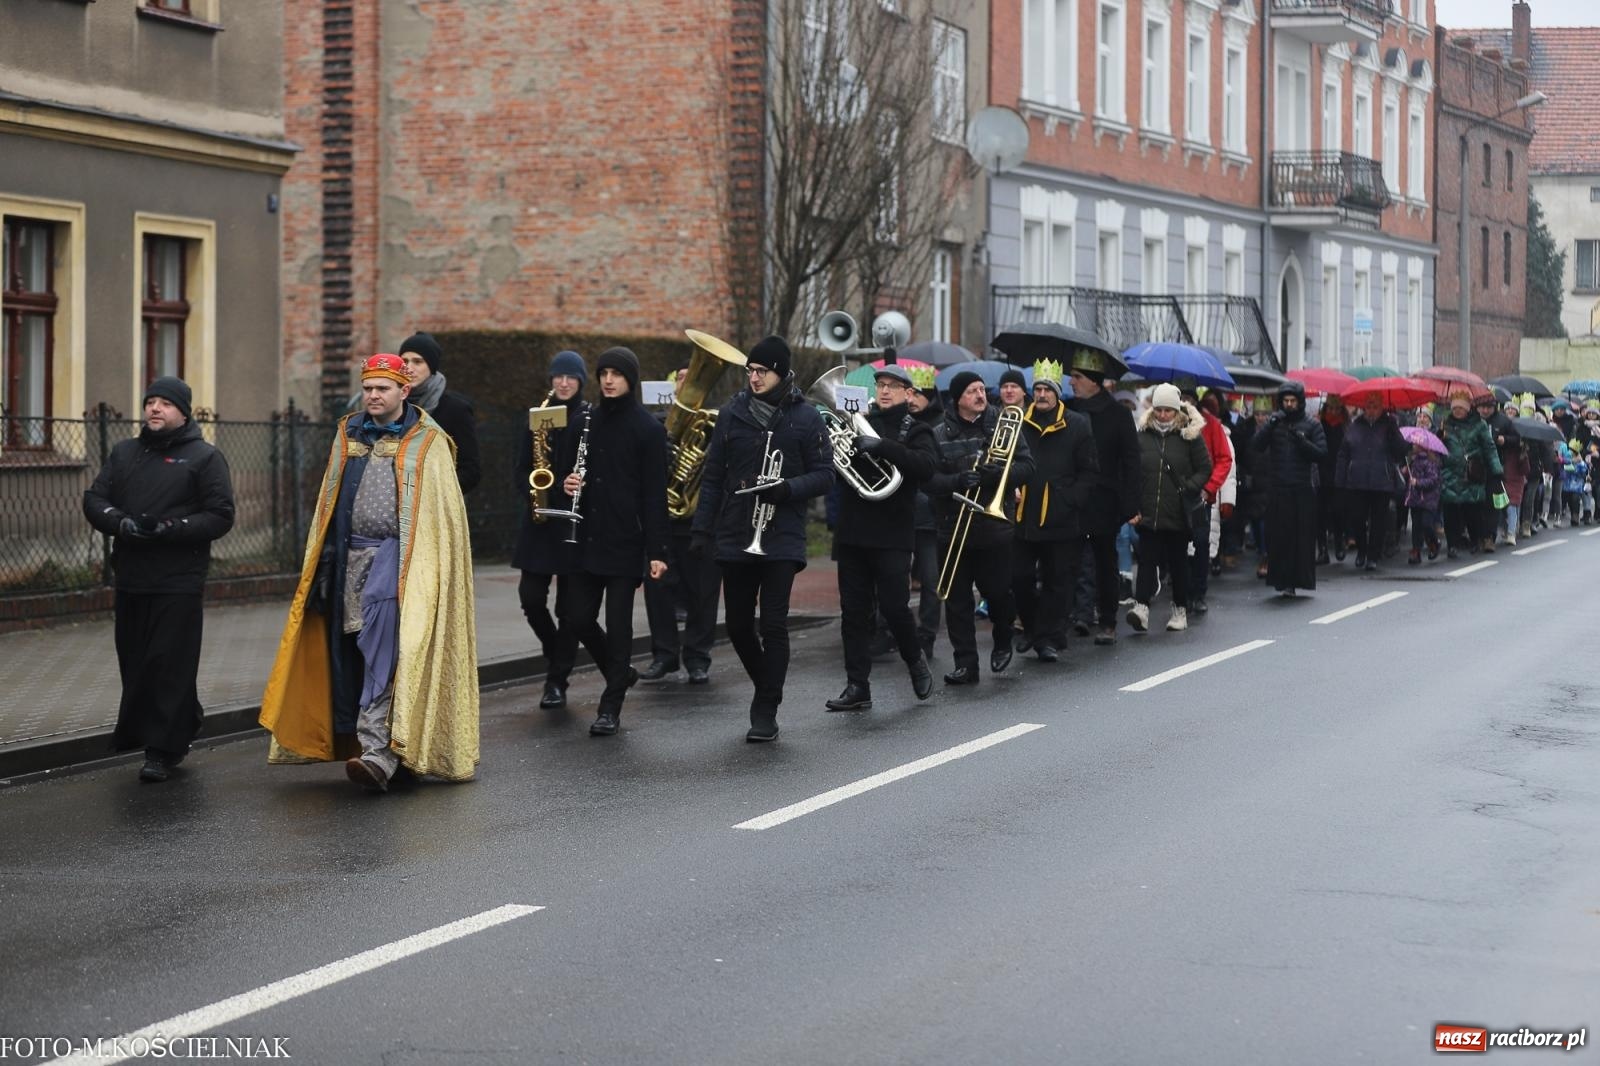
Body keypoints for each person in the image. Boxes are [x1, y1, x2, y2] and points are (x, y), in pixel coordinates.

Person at [261, 353, 478, 792]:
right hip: (348, 561)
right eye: (369, 387)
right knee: (351, 653)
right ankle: (375, 744)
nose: (374, 395)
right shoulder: (347, 433)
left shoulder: (428, 442)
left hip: (400, 565)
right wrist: (323, 565)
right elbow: (329, 504)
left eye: (383, 388)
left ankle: (380, 752)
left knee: (390, 651)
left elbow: (442, 520)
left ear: (405, 391)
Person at [83, 377, 235, 783]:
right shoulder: (124, 453)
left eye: (165, 403)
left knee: (168, 663)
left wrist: (171, 527)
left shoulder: (204, 457)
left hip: (179, 579)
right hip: (132, 576)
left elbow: (220, 515)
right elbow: (95, 499)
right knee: (137, 663)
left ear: (183, 411)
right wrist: (122, 523)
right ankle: (186, 721)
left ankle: (161, 751)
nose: (154, 409)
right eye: (150, 401)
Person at [691, 335, 833, 741]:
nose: (754, 378)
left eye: (762, 371)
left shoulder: (805, 417)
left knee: (773, 623)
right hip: (737, 530)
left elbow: (825, 473)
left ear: (781, 373)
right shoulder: (732, 413)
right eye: (750, 371)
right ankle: (768, 685)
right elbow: (714, 476)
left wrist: (787, 488)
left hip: (782, 535)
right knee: (736, 625)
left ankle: (765, 708)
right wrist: (703, 529)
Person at [558, 347, 671, 737]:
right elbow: (562, 470)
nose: (608, 380)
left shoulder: (648, 429)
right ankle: (621, 674)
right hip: (586, 537)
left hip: (625, 539)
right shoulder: (583, 420)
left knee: (618, 624)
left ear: (631, 379)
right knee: (577, 618)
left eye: (617, 374)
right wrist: (567, 482)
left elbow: (656, 495)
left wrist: (657, 551)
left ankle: (610, 707)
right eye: (604, 372)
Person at [824, 363, 939, 710]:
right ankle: (857, 685)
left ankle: (915, 660)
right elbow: (840, 471)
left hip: (893, 533)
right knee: (853, 612)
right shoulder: (860, 421)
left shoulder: (916, 429)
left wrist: (882, 446)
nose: (885, 390)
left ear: (909, 393)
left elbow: (926, 468)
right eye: (881, 385)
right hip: (854, 531)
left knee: (894, 608)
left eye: (893, 385)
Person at [511, 350, 608, 711]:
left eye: (570, 378)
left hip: (573, 521)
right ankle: (556, 655)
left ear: (581, 381)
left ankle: (557, 681)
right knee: (531, 599)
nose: (563, 383)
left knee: (569, 609)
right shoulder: (538, 416)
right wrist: (534, 494)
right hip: (540, 520)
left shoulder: (590, 418)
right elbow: (521, 468)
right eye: (558, 377)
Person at [925, 371, 1035, 684]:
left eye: (981, 389)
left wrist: (998, 476)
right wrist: (955, 482)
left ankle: (1003, 638)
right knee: (958, 599)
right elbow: (929, 481)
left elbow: (1028, 467)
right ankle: (966, 664)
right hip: (953, 526)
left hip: (993, 526)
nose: (980, 395)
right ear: (957, 398)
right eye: (972, 391)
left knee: (998, 593)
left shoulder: (1003, 423)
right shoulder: (938, 434)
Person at [1011, 358, 1098, 661]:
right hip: (1023, 516)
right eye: (1038, 388)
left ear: (1057, 392)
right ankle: (1033, 627)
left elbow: (1089, 472)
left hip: (1060, 517)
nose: (1042, 394)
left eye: (1048, 389)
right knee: (1019, 577)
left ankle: (1047, 637)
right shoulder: (1020, 422)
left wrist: (1069, 499)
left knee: (1057, 581)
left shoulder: (1077, 424)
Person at [641, 366, 722, 686]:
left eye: (695, 379)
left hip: (701, 520)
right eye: (683, 380)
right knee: (657, 590)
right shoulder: (656, 425)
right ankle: (664, 655)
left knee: (703, 591)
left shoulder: (713, 423)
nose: (689, 384)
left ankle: (698, 658)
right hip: (662, 520)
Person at [1066, 348, 1139, 645]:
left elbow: (1131, 461)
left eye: (1077, 377)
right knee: (1067, 561)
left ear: (1094, 382)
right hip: (1071, 497)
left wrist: (1132, 504)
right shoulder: (1068, 410)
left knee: (1105, 561)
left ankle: (1107, 620)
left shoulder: (1118, 414)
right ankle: (1076, 615)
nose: (1071, 382)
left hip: (1104, 500)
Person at [1127, 384, 1212, 632]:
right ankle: (1141, 607)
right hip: (1149, 510)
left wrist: (1189, 487)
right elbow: (1132, 469)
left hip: (1177, 512)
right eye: (1159, 409)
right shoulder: (1142, 435)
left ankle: (1179, 609)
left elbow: (1204, 468)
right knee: (1146, 560)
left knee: (1178, 563)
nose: (1163, 415)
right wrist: (1135, 504)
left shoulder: (1189, 436)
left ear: (1177, 411)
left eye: (1168, 410)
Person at [1251, 381, 1327, 596]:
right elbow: (1257, 445)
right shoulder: (1276, 423)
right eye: (1285, 401)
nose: (1289, 404)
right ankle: (1281, 580)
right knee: (1278, 537)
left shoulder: (1312, 425)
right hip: (1278, 488)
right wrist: (1270, 424)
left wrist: (1303, 442)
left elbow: (1321, 454)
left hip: (1301, 488)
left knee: (1300, 538)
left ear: (1300, 402)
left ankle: (1297, 580)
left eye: (1293, 401)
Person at [396, 331, 481, 493]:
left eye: (418, 362)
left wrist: (432, 492)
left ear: (432, 366)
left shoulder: (456, 409)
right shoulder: (393, 404)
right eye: (404, 361)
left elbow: (470, 471)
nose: (409, 368)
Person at [1335, 394, 1407, 571]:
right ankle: (1362, 550)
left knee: (1378, 520)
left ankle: (1373, 556)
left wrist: (1393, 431)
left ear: (1382, 407)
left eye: (1375, 406)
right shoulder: (1355, 426)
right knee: (1357, 518)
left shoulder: (1389, 425)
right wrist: (1340, 480)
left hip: (1381, 481)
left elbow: (1401, 451)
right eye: (1368, 406)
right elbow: (1344, 453)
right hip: (1357, 481)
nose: (1371, 410)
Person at [1180, 385, 1233, 614]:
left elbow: (1224, 458)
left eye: (1190, 398)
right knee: (1178, 547)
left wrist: (1210, 488)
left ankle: (1199, 592)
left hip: (1202, 495)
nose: (1186, 403)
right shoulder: (1171, 422)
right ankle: (1182, 593)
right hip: (1177, 495)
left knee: (1201, 544)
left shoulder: (1211, 424)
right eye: (1182, 398)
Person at [906, 366, 945, 660]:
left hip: (930, 515)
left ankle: (927, 635)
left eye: (918, 394)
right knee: (893, 578)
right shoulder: (900, 423)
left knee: (932, 580)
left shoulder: (941, 426)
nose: (912, 399)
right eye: (909, 392)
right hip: (903, 514)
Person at [1437, 390, 1501, 557]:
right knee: (1450, 511)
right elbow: (1438, 448)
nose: (1457, 411)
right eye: (1455, 408)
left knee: (1472, 510)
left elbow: (1489, 448)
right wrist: (1440, 436)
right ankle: (1452, 544)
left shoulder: (1479, 425)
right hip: (1450, 473)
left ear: (1467, 409)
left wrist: (1496, 468)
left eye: (1461, 408)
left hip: (1471, 473)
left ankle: (1475, 540)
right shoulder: (1445, 424)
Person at [1316, 394, 1349, 563]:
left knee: (1339, 511)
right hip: (1322, 473)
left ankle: (1339, 542)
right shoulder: (1318, 424)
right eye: (1330, 408)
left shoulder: (1345, 426)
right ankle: (1322, 549)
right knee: (1320, 513)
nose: (1333, 412)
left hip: (1339, 473)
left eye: (1337, 409)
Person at [1403, 439, 1443, 563]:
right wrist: (1405, 472)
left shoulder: (1430, 462)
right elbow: (1409, 476)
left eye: (1415, 444)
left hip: (1428, 499)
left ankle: (1433, 542)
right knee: (1416, 526)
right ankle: (1416, 550)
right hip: (1415, 498)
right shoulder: (1412, 461)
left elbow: (1433, 480)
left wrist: (1418, 482)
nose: (1413, 446)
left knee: (1426, 524)